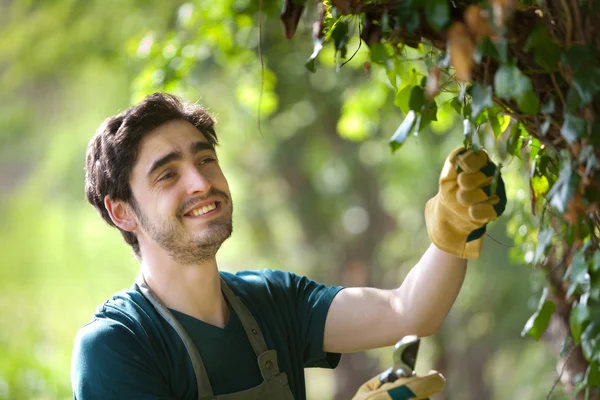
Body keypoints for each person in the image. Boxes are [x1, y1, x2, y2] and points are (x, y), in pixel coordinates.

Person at [71, 92, 506, 400]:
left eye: (205, 160)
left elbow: (407, 312)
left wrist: (455, 226)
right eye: (167, 174)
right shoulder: (116, 346)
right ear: (122, 212)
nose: (201, 183)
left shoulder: (272, 300)